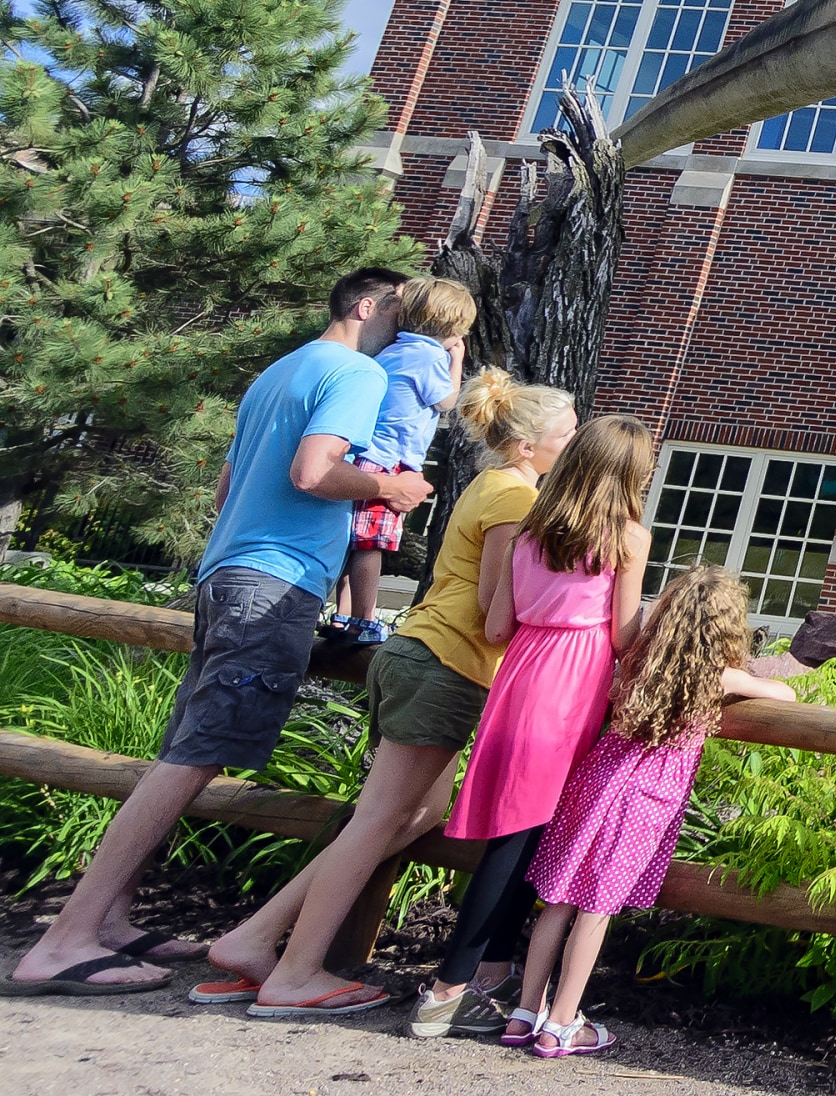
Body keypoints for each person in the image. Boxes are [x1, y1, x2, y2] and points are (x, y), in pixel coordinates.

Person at [3, 266, 429, 997]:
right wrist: (389, 486)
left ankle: (111, 920)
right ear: (368, 306)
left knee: (184, 747)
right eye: (400, 309)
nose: (408, 326)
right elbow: (312, 471)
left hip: (226, 570)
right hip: (274, 583)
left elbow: (232, 483)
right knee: (196, 758)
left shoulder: (279, 371)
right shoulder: (357, 373)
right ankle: (65, 940)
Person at [190, 368, 578, 1023]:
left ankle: (256, 938)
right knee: (377, 822)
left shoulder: (494, 485)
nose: (574, 445)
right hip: (447, 665)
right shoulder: (517, 500)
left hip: (424, 657)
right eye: (566, 436)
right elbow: (493, 614)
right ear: (525, 447)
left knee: (416, 815)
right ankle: (293, 973)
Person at [428, 411, 654, 1043]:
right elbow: (624, 635)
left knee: (517, 835)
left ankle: (491, 974)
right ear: (629, 476)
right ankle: (447, 989)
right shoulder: (626, 538)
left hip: (520, 673)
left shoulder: (531, 529)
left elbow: (497, 625)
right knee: (522, 842)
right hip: (573, 685)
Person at [518, 567, 791, 1057]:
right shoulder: (717, 675)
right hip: (643, 800)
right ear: (728, 627)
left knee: (559, 900)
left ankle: (525, 1012)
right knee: (596, 911)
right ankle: (561, 1024)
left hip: (595, 783)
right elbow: (787, 694)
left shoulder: (640, 658)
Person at [327, 278, 475, 644]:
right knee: (371, 545)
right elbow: (445, 401)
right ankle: (364, 620)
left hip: (363, 458)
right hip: (389, 462)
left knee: (353, 541)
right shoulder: (430, 357)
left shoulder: (394, 349)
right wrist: (457, 360)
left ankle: (343, 616)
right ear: (453, 328)